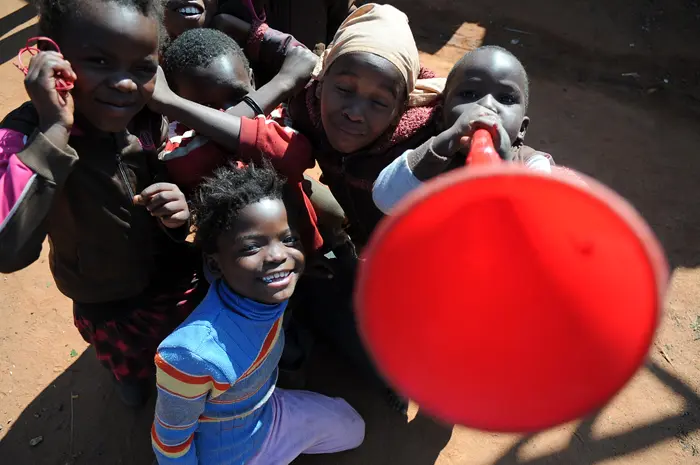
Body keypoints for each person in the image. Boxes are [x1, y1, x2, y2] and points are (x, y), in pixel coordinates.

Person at [0, 0, 205, 407]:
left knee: (183, 352)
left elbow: (182, 178)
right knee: (131, 368)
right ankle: (132, 379)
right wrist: (54, 130)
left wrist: (179, 212)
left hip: (172, 278)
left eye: (141, 68)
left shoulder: (148, 118)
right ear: (49, 58)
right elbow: (8, 247)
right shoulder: (23, 137)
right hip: (104, 299)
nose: (126, 84)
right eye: (98, 60)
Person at [151, 162, 365, 465]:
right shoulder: (191, 356)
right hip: (228, 454)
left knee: (353, 428)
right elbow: (170, 442)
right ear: (215, 266)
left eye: (288, 240)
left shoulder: (258, 289)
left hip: (265, 412)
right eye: (252, 247)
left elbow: (272, 261)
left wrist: (302, 269)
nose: (279, 256)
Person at [156, 27, 324, 253]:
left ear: (252, 81)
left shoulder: (277, 115)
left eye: (237, 96)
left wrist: (179, 107)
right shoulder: (177, 138)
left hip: (303, 257)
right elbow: (184, 164)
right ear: (181, 108)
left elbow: (292, 155)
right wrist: (281, 84)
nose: (227, 110)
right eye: (205, 108)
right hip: (232, 272)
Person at [372, 45, 554, 213]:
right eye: (469, 94)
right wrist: (442, 145)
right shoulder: (425, 152)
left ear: (522, 129)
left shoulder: (532, 165)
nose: (486, 105)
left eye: (506, 99)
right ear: (440, 115)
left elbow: (537, 217)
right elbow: (384, 199)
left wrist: (505, 165)